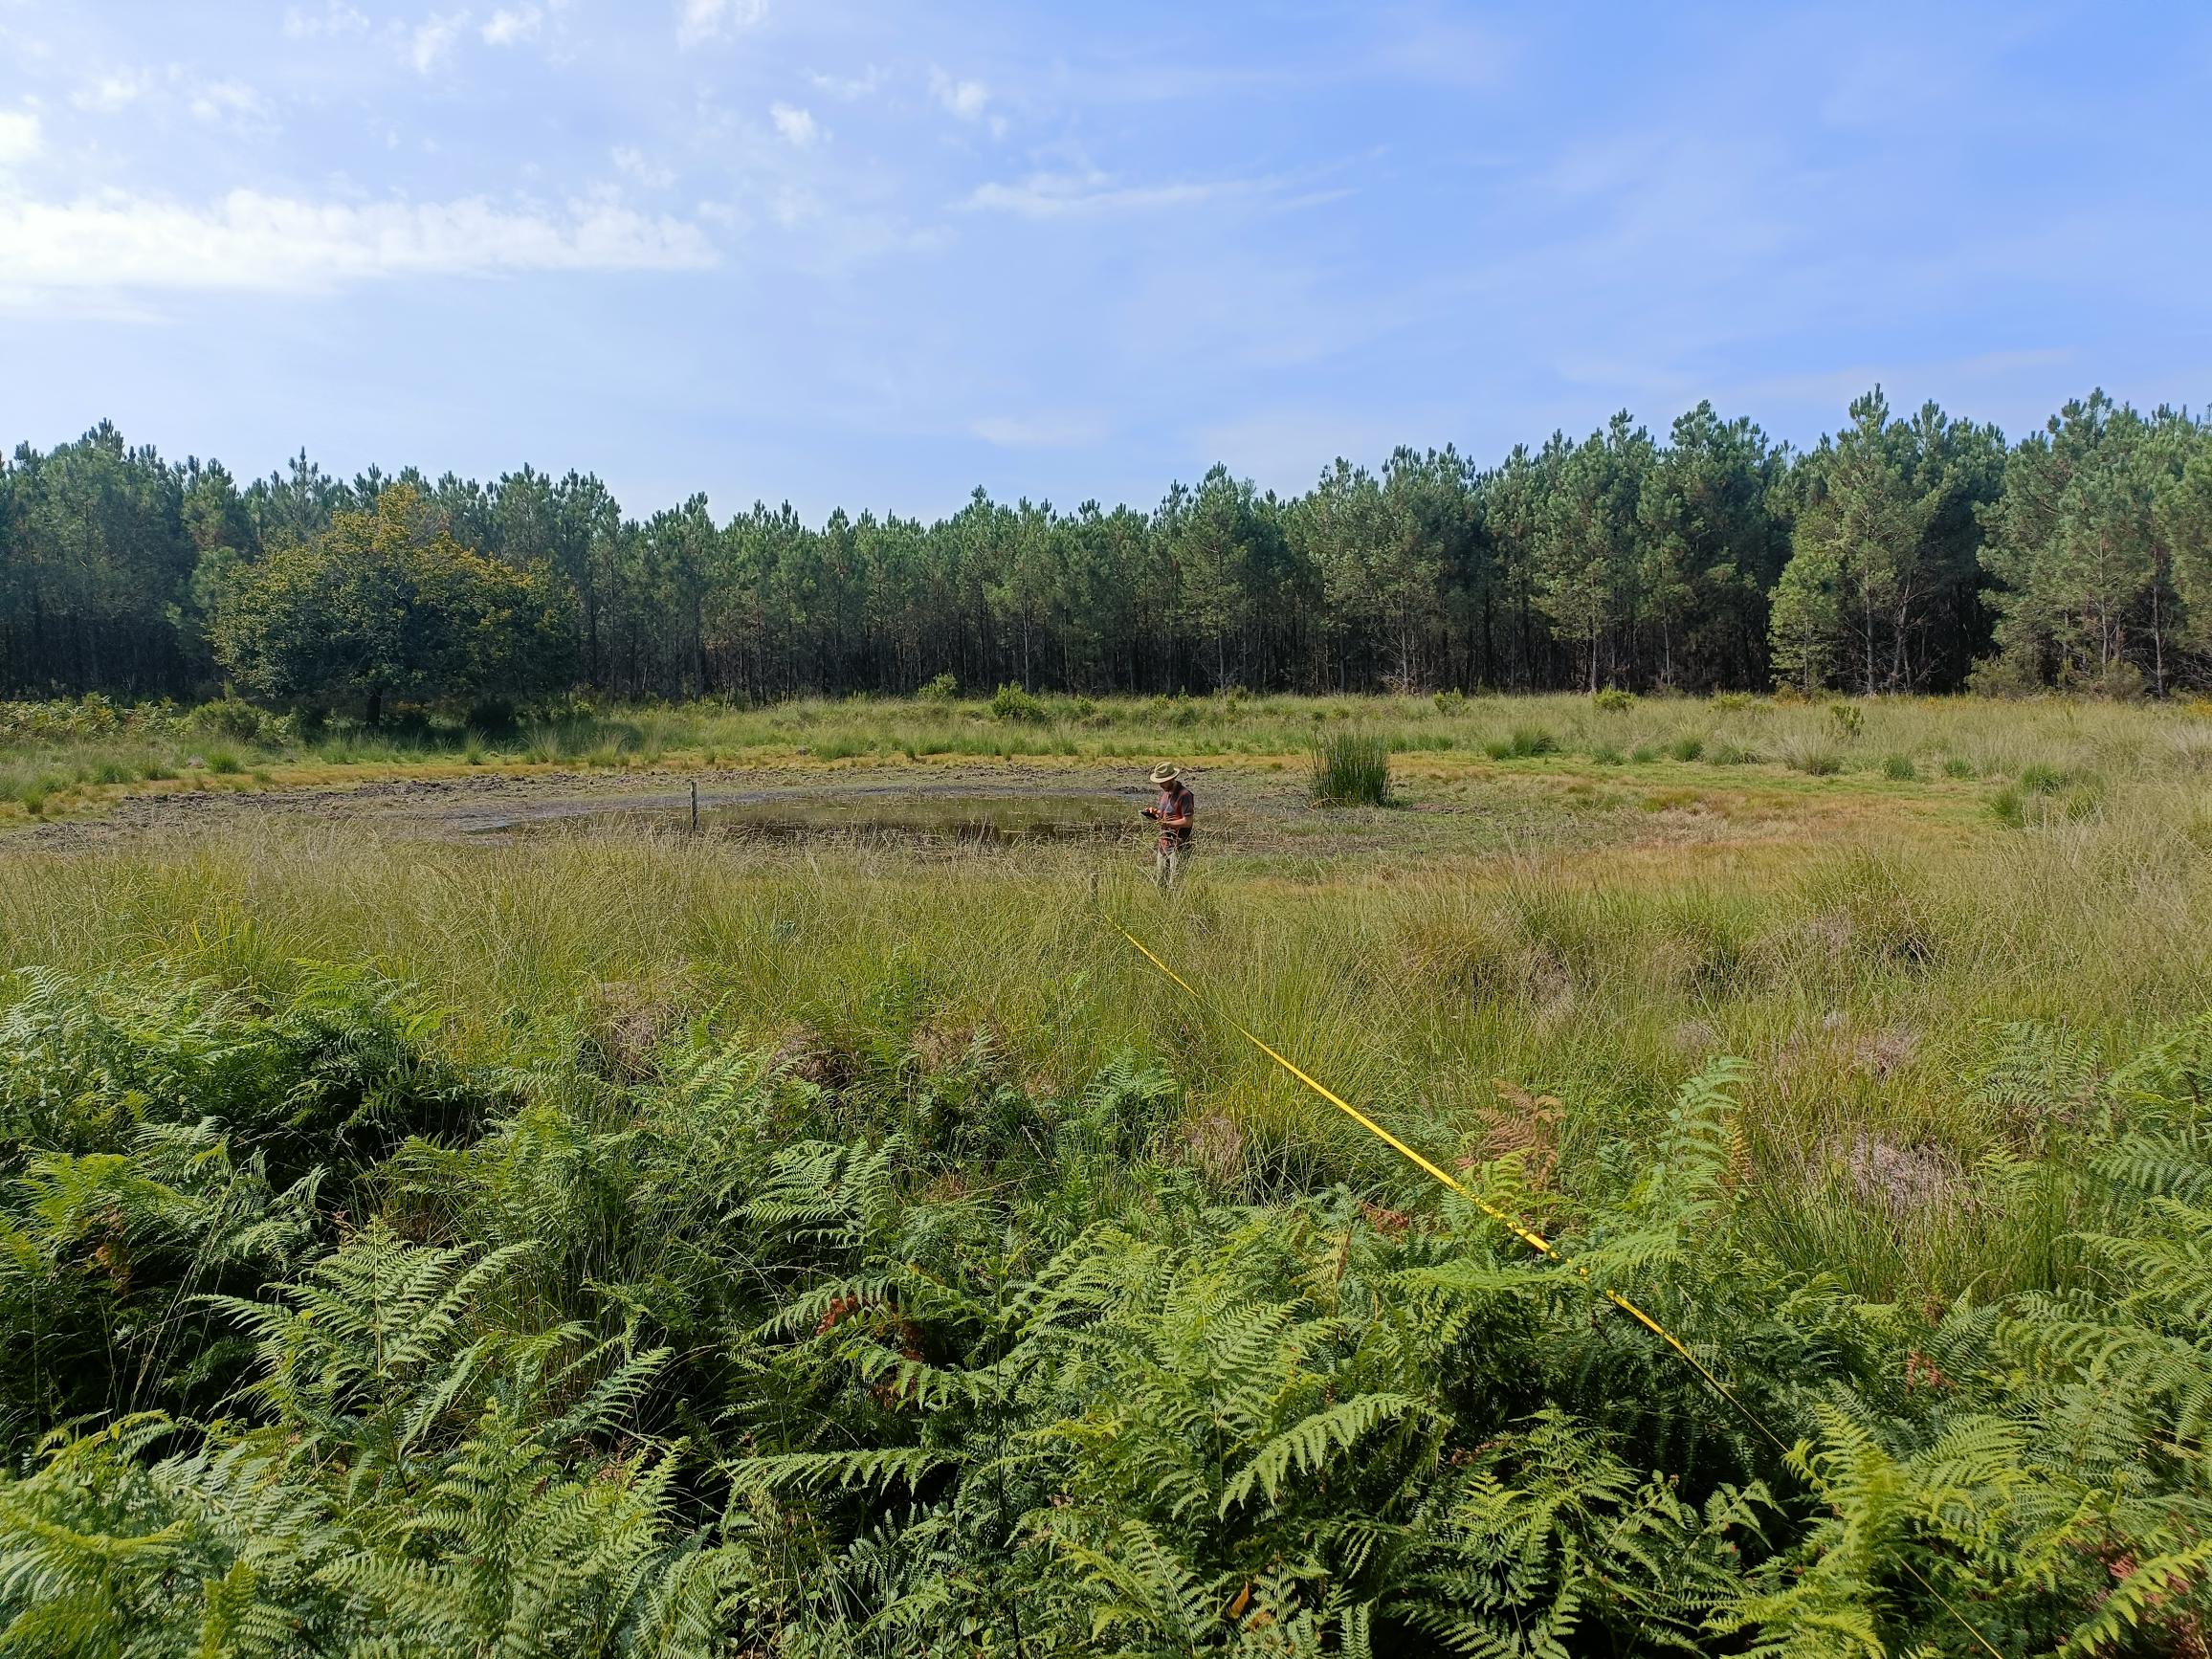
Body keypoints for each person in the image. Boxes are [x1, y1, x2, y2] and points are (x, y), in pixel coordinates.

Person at [1142, 763, 1195, 886]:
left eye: (1163, 782)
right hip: (1163, 844)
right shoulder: (1166, 793)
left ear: (1171, 779)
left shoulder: (1185, 795)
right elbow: (1168, 812)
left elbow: (1187, 822)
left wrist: (1166, 823)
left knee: (1174, 884)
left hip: (1178, 845)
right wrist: (1155, 812)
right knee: (1160, 882)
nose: (1160, 785)